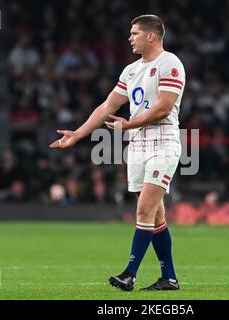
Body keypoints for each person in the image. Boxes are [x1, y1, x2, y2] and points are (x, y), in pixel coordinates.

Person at [49, 14, 185, 291]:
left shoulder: (169, 63)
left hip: (162, 142)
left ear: (151, 36)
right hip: (136, 145)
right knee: (156, 216)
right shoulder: (131, 70)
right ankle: (169, 278)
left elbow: (163, 108)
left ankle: (129, 274)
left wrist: (128, 124)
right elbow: (106, 106)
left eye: (135, 33)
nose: (130, 38)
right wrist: (78, 133)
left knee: (144, 209)